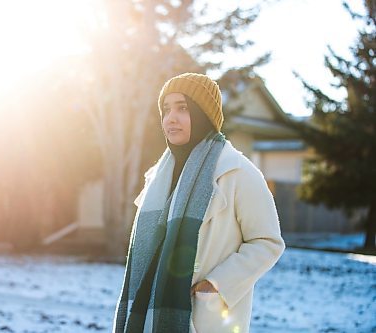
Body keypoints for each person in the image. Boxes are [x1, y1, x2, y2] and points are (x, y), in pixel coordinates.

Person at [113, 72, 285, 333]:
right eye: (166, 109)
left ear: (204, 114)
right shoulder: (156, 177)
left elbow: (268, 242)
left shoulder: (237, 171)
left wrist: (217, 285)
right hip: (147, 312)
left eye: (183, 108)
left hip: (201, 317)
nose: (171, 117)